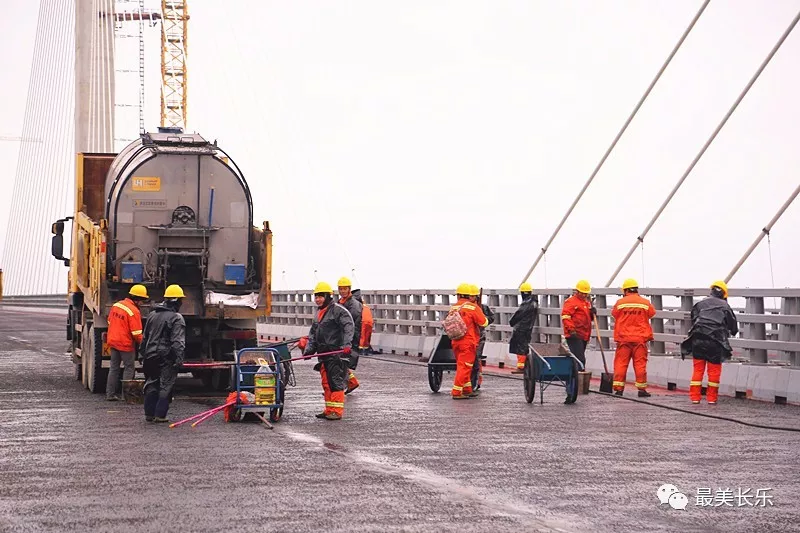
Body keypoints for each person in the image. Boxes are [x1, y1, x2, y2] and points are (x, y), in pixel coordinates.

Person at [680, 280, 738, 405]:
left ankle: (695, 397)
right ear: (724, 294)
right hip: (715, 341)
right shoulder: (725, 306)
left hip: (698, 339)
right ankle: (711, 398)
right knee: (714, 371)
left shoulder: (700, 303)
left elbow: (693, 318)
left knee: (698, 369)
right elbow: (733, 326)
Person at [304, 281, 354, 420]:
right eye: (316, 297)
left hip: (336, 353)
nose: (318, 299)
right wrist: (309, 351)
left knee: (335, 382)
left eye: (321, 296)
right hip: (323, 354)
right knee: (326, 383)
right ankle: (329, 409)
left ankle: (336, 412)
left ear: (328, 296)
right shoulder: (319, 313)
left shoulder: (338, 310)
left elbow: (348, 326)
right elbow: (313, 334)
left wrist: (346, 345)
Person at [140, 284, 186, 423]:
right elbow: (178, 342)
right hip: (166, 357)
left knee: (151, 384)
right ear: (177, 301)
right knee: (165, 386)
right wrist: (178, 359)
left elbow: (145, 337)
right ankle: (160, 415)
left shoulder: (152, 315)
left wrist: (142, 354)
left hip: (150, 356)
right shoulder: (177, 318)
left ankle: (149, 414)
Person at [610, 278, 656, 397]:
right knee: (640, 364)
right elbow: (652, 313)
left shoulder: (620, 303)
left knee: (621, 363)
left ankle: (619, 390)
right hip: (640, 339)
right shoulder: (645, 303)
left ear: (625, 290)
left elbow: (614, 314)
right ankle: (641, 390)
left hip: (624, 339)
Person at [106, 285, 148, 401]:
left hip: (113, 341)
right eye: (143, 300)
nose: (143, 303)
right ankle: (127, 396)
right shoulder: (134, 311)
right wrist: (145, 345)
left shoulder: (117, 305)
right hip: (125, 344)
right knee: (129, 368)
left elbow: (109, 321)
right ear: (138, 299)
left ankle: (110, 394)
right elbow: (136, 333)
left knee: (114, 368)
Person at [448, 283, 488, 399]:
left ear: (459, 295)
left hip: (455, 340)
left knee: (463, 365)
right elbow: (483, 322)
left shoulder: (454, 307)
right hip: (468, 342)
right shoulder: (473, 307)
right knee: (465, 366)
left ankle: (467, 389)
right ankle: (456, 392)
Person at [561, 280, 594, 404]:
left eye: (586, 293)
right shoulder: (571, 302)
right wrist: (571, 329)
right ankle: (574, 389)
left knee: (578, 359)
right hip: (574, 335)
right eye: (583, 293)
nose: (585, 295)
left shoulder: (586, 303)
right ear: (577, 291)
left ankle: (576, 386)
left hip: (584, 335)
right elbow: (566, 316)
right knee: (579, 359)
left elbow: (586, 318)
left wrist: (592, 314)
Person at [337, 277, 362, 394]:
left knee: (341, 361)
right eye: (340, 289)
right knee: (340, 361)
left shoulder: (354, 305)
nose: (342, 291)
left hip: (349, 337)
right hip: (340, 337)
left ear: (349, 289)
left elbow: (350, 323)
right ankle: (351, 382)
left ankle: (338, 389)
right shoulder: (340, 302)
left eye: (344, 289)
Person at [509, 282, 539, 374]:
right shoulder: (534, 302)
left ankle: (521, 366)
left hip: (521, 328)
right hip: (527, 328)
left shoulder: (527, 303)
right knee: (523, 346)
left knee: (520, 347)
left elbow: (519, 314)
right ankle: (524, 365)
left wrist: (511, 322)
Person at [470, 285, 494, 392]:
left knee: (476, 358)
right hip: (467, 337)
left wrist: (483, 321)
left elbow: (491, 318)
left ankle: (477, 381)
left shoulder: (482, 307)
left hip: (479, 336)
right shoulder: (464, 307)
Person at [352, 289, 374, 355]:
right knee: (366, 335)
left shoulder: (355, 303)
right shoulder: (364, 305)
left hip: (362, 320)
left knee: (360, 334)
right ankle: (366, 349)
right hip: (368, 320)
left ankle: (361, 349)